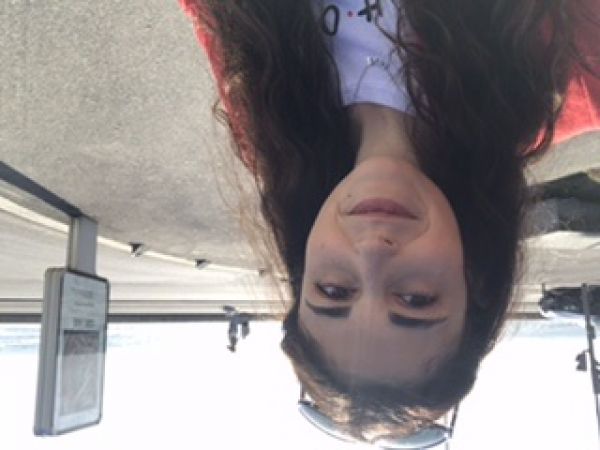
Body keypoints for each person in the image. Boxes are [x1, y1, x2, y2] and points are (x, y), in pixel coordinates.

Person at [180, 0, 600, 442]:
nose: (371, 251)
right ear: (472, 279)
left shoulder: (270, 124)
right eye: (415, 299)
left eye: (333, 291)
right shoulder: (575, 67)